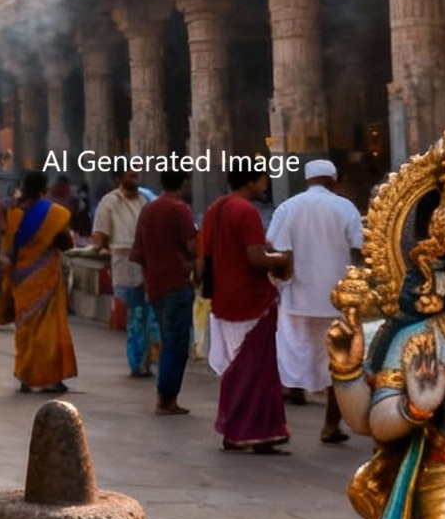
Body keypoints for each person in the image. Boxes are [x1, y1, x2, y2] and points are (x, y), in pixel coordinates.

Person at [269, 158, 362, 443]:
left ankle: (276, 421)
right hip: (337, 301)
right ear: (332, 180)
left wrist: (279, 283)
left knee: (291, 356)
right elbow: (359, 250)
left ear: (308, 180)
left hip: (298, 298)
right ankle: (331, 424)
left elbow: (275, 248)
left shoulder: (288, 207)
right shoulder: (345, 207)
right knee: (338, 363)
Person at [204, 166, 290, 452]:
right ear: (251, 181)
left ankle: (234, 431)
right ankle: (258, 433)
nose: (265, 184)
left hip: (223, 299)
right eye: (263, 178)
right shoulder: (246, 211)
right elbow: (255, 259)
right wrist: (280, 259)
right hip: (249, 300)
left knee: (237, 370)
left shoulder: (215, 209)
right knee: (257, 373)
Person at [0, 172, 77, 393]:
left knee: (25, 329)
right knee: (49, 330)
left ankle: (25, 375)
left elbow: (7, 251)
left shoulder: (13, 214)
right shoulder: (54, 214)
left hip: (21, 280)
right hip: (46, 278)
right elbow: (67, 243)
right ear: (44, 189)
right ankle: (50, 379)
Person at [135, 170, 199, 416]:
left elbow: (139, 252)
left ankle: (166, 395)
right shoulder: (179, 209)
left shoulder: (148, 209)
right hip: (176, 283)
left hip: (156, 284)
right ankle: (167, 397)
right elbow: (193, 245)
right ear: (183, 184)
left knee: (167, 339)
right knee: (177, 342)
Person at [92, 167, 151, 378]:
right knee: (135, 315)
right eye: (130, 175)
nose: (135, 178)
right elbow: (100, 236)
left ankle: (145, 360)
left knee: (147, 315)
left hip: (147, 262)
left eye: (136, 175)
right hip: (124, 262)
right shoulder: (109, 202)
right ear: (118, 179)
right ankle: (137, 363)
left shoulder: (145, 200)